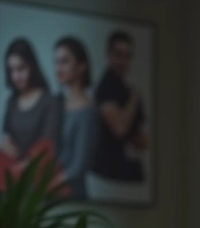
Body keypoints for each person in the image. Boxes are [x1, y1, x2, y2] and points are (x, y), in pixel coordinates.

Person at [0, 38, 60, 187]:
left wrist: (19, 169)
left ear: (32, 66)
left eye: (21, 69)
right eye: (11, 70)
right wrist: (4, 143)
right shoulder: (12, 101)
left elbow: (47, 147)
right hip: (11, 173)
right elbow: (6, 136)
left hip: (37, 176)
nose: (16, 76)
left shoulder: (50, 101)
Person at [93, 30, 147, 183]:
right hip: (107, 172)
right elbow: (120, 129)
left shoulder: (125, 90)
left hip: (126, 166)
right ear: (108, 55)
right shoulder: (106, 87)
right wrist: (134, 99)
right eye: (118, 55)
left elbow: (141, 141)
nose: (123, 62)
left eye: (127, 56)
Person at [52, 37, 99, 200]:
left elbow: (79, 165)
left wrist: (51, 183)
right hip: (53, 190)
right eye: (56, 62)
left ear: (81, 67)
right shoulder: (57, 103)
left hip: (72, 195)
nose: (58, 68)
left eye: (64, 61)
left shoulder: (86, 112)